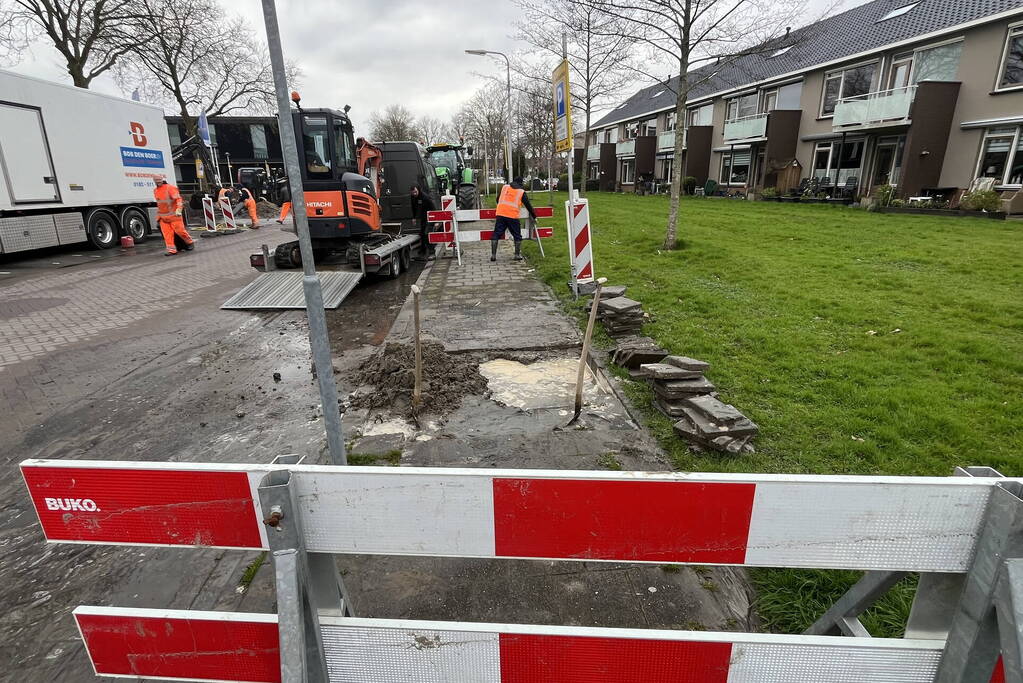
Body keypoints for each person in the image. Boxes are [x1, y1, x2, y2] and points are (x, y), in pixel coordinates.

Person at [492, 177, 536, 262]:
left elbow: (497, 199)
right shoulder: (521, 192)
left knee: (496, 234)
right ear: (521, 184)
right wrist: (534, 216)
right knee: (517, 235)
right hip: (512, 215)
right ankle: (517, 255)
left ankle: (493, 255)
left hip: (500, 213)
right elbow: (528, 205)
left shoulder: (505, 187)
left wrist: (503, 207)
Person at [153, 175, 194, 256]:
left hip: (174, 216)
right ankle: (172, 250)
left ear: (162, 179)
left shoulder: (170, 188)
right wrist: (158, 217)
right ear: (154, 181)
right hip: (163, 217)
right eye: (156, 180)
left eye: (159, 179)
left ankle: (189, 242)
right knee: (167, 235)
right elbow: (160, 205)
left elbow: (178, 199)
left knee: (180, 231)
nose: (158, 181)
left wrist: (179, 209)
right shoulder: (155, 190)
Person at [410, 183, 437, 260]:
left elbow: (433, 208)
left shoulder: (425, 197)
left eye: (415, 192)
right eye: (413, 193)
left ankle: (432, 253)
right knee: (421, 235)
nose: (414, 194)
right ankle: (422, 252)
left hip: (430, 217)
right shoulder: (413, 197)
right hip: (423, 218)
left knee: (427, 234)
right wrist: (414, 217)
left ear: (418, 190)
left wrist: (436, 221)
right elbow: (413, 207)